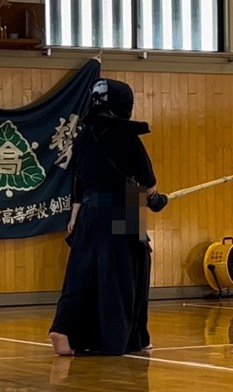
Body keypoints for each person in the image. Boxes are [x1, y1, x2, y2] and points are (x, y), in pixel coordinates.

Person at [49, 78, 168, 356]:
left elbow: (78, 182)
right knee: (125, 275)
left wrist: (75, 216)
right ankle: (128, 338)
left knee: (81, 274)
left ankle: (64, 330)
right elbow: (147, 183)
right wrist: (156, 199)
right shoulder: (127, 138)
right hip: (124, 206)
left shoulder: (82, 137)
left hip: (89, 209)